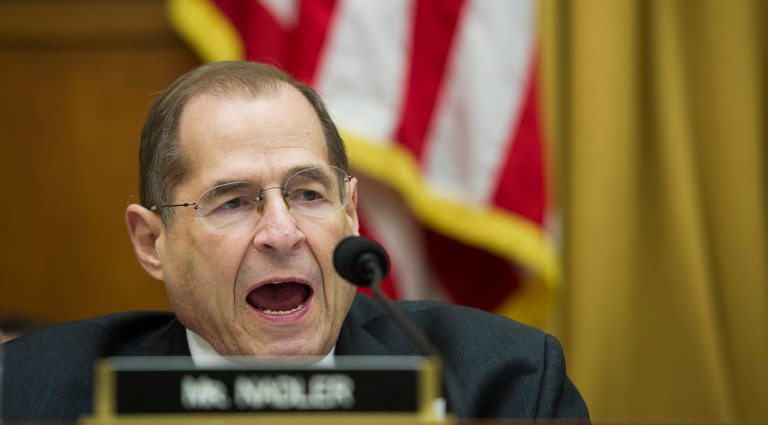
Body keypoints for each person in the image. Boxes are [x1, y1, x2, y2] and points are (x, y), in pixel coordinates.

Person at [1, 61, 589, 422]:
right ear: (153, 241)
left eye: (309, 194)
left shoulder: (501, 385)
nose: (282, 233)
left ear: (351, 215)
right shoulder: (28, 393)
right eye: (233, 202)